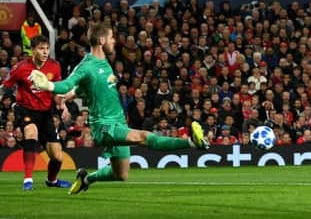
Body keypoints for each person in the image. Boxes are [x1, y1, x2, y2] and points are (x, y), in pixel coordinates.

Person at [30, 22, 209, 195]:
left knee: (120, 174)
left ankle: (86, 179)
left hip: (118, 122)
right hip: (104, 126)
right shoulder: (87, 65)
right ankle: (192, 142)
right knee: (143, 137)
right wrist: (48, 85)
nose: (114, 41)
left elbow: (88, 86)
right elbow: (68, 83)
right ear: (101, 41)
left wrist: (70, 95)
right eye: (111, 38)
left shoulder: (104, 62)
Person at [1, 35, 71, 190]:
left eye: (47, 48)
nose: (45, 52)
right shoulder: (20, 67)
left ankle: (52, 181)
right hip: (25, 109)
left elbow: (57, 90)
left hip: (45, 113)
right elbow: (6, 86)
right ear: (32, 50)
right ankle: (28, 180)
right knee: (31, 133)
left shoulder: (55, 66)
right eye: (41, 48)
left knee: (57, 156)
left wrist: (63, 105)